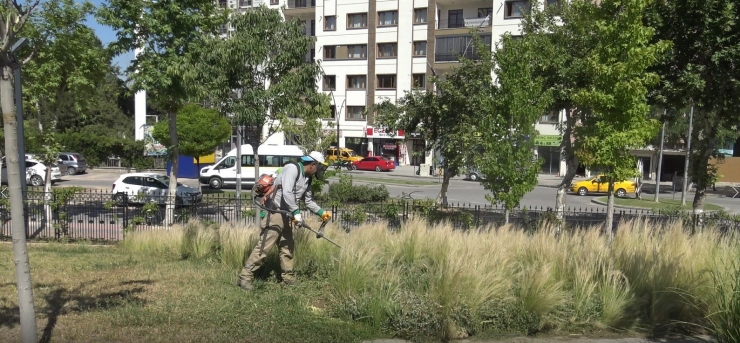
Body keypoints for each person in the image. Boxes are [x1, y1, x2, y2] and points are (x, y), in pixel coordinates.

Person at [237, 151, 331, 291]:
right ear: (312, 164)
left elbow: (309, 201)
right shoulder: (292, 169)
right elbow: (286, 192)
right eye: (320, 167)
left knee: (287, 246)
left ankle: (288, 277)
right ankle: (245, 277)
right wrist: (296, 213)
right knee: (264, 246)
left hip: (287, 214)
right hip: (275, 212)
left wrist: (321, 213)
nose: (320, 170)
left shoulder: (307, 178)